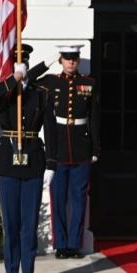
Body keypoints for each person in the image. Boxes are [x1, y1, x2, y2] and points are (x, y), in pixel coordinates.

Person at [0, 44, 55, 273]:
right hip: (8, 162)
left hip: (33, 160)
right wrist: (12, 81)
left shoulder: (40, 93)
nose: (21, 67)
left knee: (29, 222)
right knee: (11, 224)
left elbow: (52, 128)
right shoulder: (5, 92)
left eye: (24, 64)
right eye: (17, 64)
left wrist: (51, 164)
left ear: (28, 65)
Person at [40, 45, 99, 259]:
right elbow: (26, 79)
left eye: (74, 59)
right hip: (58, 150)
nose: (71, 62)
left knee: (78, 200)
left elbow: (94, 118)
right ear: (61, 60)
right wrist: (45, 62)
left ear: (78, 60)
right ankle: (61, 245)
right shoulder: (50, 82)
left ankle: (74, 244)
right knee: (58, 199)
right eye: (67, 59)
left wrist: (95, 148)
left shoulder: (89, 83)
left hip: (82, 150)